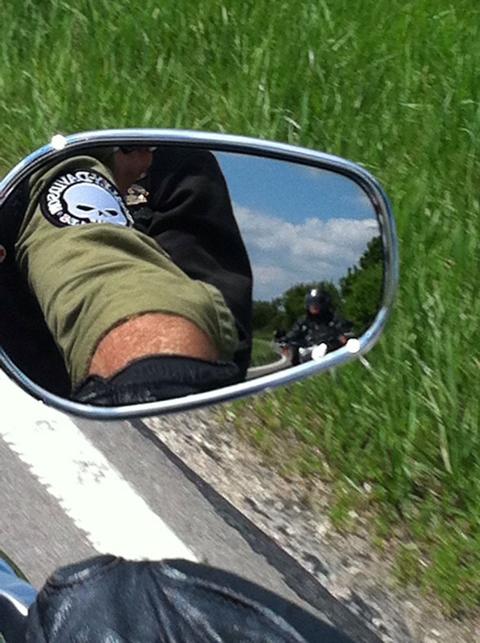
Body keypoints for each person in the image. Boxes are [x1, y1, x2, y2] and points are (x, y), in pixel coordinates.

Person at [12, 146, 246, 405]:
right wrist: (160, 379)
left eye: (152, 148)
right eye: (133, 148)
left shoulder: (179, 171)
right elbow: (92, 259)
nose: (147, 160)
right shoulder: (67, 165)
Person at [284, 289, 352, 365]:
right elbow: (293, 334)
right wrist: (286, 341)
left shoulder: (332, 318)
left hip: (331, 350)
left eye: (317, 303)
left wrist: (335, 338)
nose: (313, 306)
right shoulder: (303, 321)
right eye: (311, 303)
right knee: (296, 349)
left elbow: (344, 331)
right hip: (309, 352)